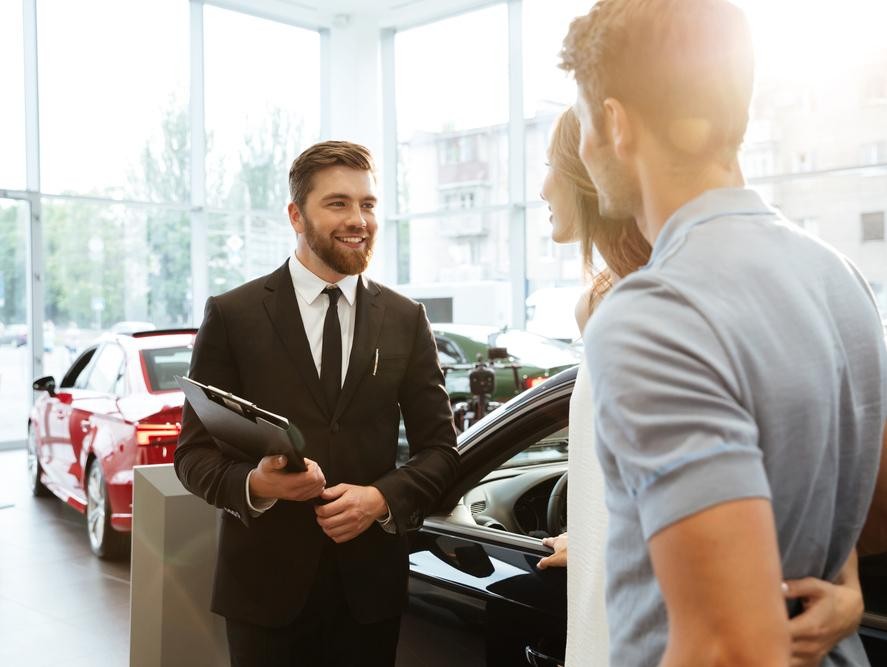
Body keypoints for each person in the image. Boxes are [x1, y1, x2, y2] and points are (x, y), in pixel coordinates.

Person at [558, 1, 887, 665]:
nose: (585, 148)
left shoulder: (652, 311)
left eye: (587, 123)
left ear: (616, 124)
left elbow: (724, 647)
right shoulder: (839, 276)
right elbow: (851, 515)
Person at [174, 140, 459, 667]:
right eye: (338, 203)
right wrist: (256, 485)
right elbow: (191, 456)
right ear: (295, 215)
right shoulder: (234, 315)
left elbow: (441, 450)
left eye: (368, 204)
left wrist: (380, 498)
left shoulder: (404, 317)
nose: (359, 219)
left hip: (369, 594)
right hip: (263, 594)